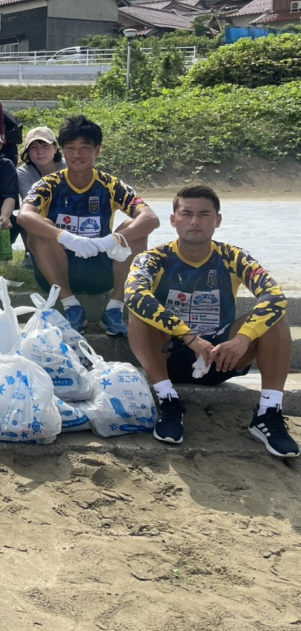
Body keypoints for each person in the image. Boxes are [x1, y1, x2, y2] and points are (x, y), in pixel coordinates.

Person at [125, 184, 297, 457]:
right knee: (138, 311)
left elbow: (274, 295)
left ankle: (268, 411)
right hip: (170, 356)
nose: (195, 221)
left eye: (204, 214)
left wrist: (242, 339)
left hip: (223, 355)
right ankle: (167, 399)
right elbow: (134, 295)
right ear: (173, 220)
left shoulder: (234, 256)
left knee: (275, 313)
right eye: (186, 213)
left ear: (217, 220)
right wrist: (190, 337)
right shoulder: (153, 259)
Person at [19, 114, 159, 336]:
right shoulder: (48, 184)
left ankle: (114, 309)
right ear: (61, 151)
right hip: (56, 269)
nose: (77, 154)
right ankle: (71, 306)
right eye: (71, 147)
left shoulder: (111, 184)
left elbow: (150, 218)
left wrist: (110, 241)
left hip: (100, 269)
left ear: (98, 150)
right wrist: (67, 238)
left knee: (135, 229)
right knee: (39, 226)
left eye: (85, 147)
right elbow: (24, 216)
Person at [17, 126, 64, 200]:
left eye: (45, 146)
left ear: (55, 148)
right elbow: (32, 203)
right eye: (34, 147)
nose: (40, 152)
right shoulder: (23, 174)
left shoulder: (70, 166)